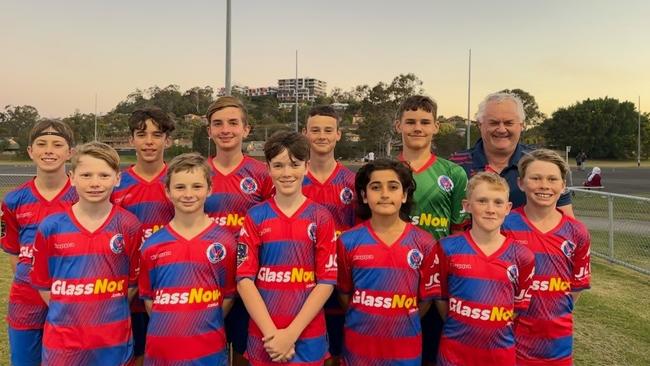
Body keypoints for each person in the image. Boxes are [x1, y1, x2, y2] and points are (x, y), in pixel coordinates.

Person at [30, 142, 141, 364]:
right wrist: (71, 311)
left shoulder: (129, 225)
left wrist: (102, 308)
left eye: (103, 175)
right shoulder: (51, 227)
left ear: (117, 178)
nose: (95, 183)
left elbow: (132, 284)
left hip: (113, 342)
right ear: (72, 177)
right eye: (86, 175)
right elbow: (44, 285)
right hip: (63, 343)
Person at [236, 131, 337, 365]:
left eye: (294, 165)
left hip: (308, 336)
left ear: (307, 167)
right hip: (265, 337)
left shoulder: (321, 217)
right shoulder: (255, 216)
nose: (287, 173)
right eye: (278, 166)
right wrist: (274, 335)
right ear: (268, 168)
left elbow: (326, 282)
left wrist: (290, 334)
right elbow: (244, 280)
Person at [138, 153, 237, 365]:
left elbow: (227, 296)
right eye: (180, 187)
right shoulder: (152, 245)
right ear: (168, 191)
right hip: (162, 354)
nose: (188, 194)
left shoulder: (225, 242)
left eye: (197, 186)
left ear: (209, 189)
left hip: (208, 352)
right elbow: (149, 300)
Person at [337, 158, 437, 365]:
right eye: (375, 187)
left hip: (405, 349)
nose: (384, 194)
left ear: (404, 195)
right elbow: (345, 294)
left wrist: (401, 320)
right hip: (359, 348)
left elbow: (426, 300)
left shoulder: (424, 242)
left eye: (393, 187)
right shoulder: (348, 241)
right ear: (364, 196)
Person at [430, 172, 535, 366]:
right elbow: (441, 299)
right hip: (454, 354)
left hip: (499, 355)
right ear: (466, 205)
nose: (490, 209)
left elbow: (517, 309)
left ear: (507, 208)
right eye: (482, 201)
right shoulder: (446, 248)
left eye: (497, 202)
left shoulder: (523, 256)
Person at [394, 95, 468, 365]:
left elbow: (459, 231)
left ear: (436, 127)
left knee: (433, 354)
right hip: (395, 278)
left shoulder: (454, 173)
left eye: (425, 122)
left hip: (438, 284)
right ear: (398, 125)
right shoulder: (383, 171)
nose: (417, 128)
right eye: (410, 121)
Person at [502, 149, 591, 365]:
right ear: (521, 183)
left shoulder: (577, 232)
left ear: (563, 186)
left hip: (556, 344)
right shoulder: (503, 225)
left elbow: (576, 287)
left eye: (552, 179)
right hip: (508, 341)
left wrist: (552, 311)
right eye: (536, 178)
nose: (544, 185)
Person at [1, 119, 78, 366]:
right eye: (41, 144)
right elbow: (15, 255)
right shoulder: (13, 199)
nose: (49, 150)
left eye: (57, 144)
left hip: (72, 295)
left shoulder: (83, 194)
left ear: (70, 152)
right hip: (27, 297)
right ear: (30, 151)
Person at [204, 96, 274, 365]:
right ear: (209, 131)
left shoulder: (261, 174)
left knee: (246, 352)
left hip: (251, 282)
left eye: (233, 123)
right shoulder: (198, 173)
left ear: (246, 129)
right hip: (208, 280)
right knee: (210, 349)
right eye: (218, 124)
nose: (225, 130)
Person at [112, 106, 176, 365]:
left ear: (168, 140)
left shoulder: (180, 181)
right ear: (131, 139)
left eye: (157, 135)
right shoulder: (116, 184)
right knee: (135, 355)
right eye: (141, 134)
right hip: (129, 292)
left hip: (171, 287)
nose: (149, 141)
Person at [449, 92, 574, 216]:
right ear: (480, 125)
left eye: (509, 123)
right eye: (494, 123)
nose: (502, 129)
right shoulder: (455, 165)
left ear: (522, 125)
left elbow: (566, 224)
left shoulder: (544, 165)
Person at [302, 105, 356, 365]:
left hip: (342, 280)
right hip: (303, 280)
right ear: (305, 134)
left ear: (338, 135)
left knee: (336, 350)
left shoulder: (353, 182)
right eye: (315, 130)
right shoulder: (292, 179)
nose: (321, 136)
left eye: (328, 130)